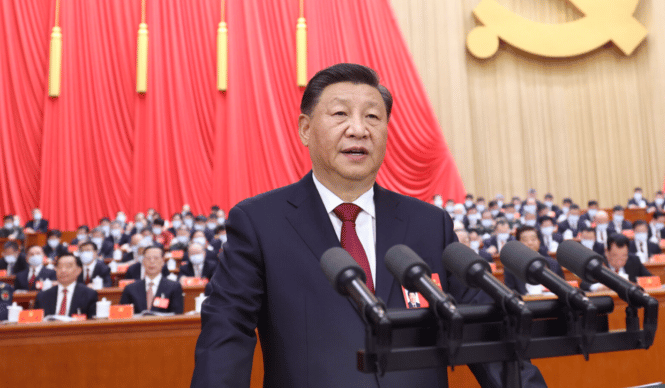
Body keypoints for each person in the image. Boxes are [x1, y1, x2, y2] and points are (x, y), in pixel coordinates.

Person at [191, 63, 546, 388]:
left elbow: (486, 334)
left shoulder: (429, 224)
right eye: (340, 114)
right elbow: (227, 336)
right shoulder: (260, 223)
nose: (358, 129)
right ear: (305, 129)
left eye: (373, 117)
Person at [120, 245, 183, 314]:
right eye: (148, 258)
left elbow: (177, 315)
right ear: (143, 262)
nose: (152, 261)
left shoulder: (174, 287)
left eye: (156, 258)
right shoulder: (130, 288)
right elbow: (123, 316)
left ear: (163, 261)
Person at [504, 226, 564, 296]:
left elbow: (562, 289)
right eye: (525, 240)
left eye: (533, 239)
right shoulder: (511, 267)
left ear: (539, 241)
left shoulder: (553, 264)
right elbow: (510, 291)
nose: (530, 243)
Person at [34, 253, 97, 319]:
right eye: (59, 267)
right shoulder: (42, 296)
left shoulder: (89, 295)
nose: (63, 270)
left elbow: (92, 323)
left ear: (79, 270)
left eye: (68, 266)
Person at [583, 234, 651, 291]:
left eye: (624, 256)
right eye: (615, 256)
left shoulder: (634, 260)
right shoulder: (597, 263)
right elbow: (584, 284)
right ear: (607, 252)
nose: (619, 261)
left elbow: (651, 278)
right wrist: (598, 288)